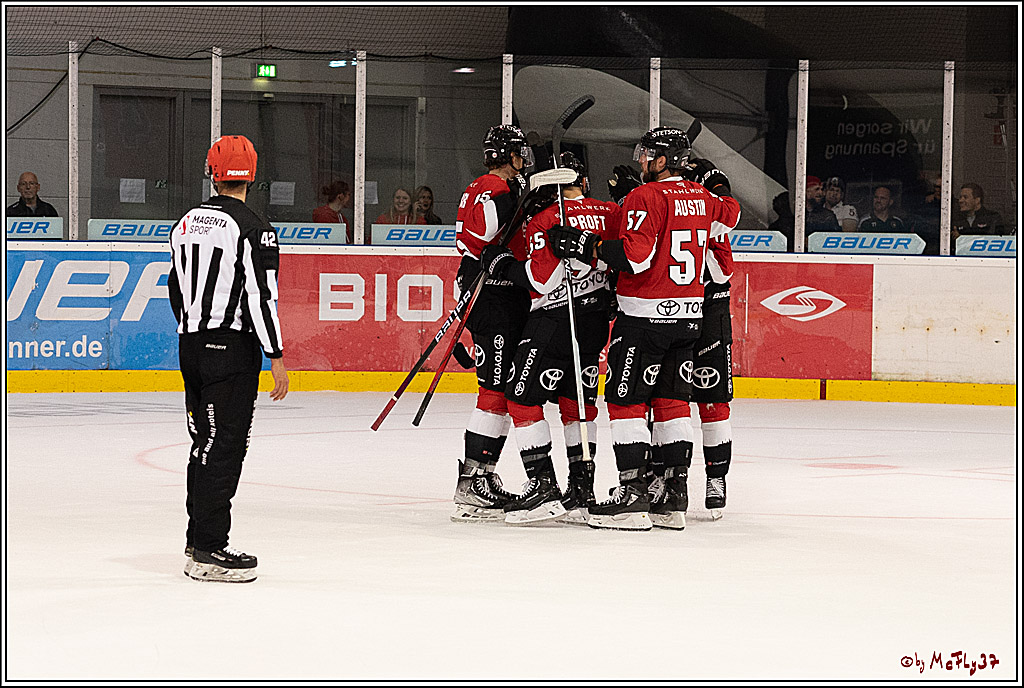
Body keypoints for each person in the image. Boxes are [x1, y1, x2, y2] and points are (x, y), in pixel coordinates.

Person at [550, 127, 741, 531]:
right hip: (688, 317)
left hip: (644, 317)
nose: (641, 161)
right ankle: (673, 496)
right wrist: (718, 183)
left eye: (647, 155)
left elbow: (635, 258)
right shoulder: (701, 196)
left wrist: (585, 246)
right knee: (672, 403)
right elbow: (730, 214)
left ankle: (632, 495)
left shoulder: (646, 195)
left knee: (626, 402)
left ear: (662, 160)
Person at [168, 135, 289, 583]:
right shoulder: (254, 228)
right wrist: (276, 354)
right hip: (231, 351)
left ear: (212, 172)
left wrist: (193, 331)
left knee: (203, 444)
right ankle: (209, 549)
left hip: (191, 346)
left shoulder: (185, 223)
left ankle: (196, 539)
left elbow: (175, 287)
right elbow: (261, 297)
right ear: (251, 174)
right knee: (224, 448)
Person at [478, 152, 620, 525]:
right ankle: (582, 490)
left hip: (554, 320)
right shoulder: (610, 212)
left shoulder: (547, 218)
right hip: (594, 322)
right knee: (578, 405)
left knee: (520, 398)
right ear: (584, 182)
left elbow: (541, 280)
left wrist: (503, 265)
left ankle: (542, 486)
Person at [450, 124, 536, 522]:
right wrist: (516, 199)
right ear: (509, 156)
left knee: (499, 389)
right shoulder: (494, 188)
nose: (523, 160)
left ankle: (482, 475)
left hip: (497, 291)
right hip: (493, 293)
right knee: (495, 389)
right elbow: (480, 235)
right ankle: (471, 481)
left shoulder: (484, 185)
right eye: (519, 153)